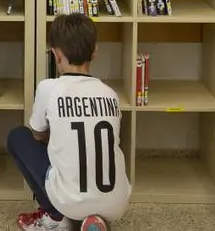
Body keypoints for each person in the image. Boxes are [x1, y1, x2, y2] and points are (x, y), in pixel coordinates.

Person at [9, 13, 130, 231]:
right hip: (117, 202)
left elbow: (37, 134)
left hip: (69, 199)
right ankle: (96, 218)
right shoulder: (110, 94)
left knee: (18, 137)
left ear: (55, 54)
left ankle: (56, 217)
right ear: (95, 52)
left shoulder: (49, 87)